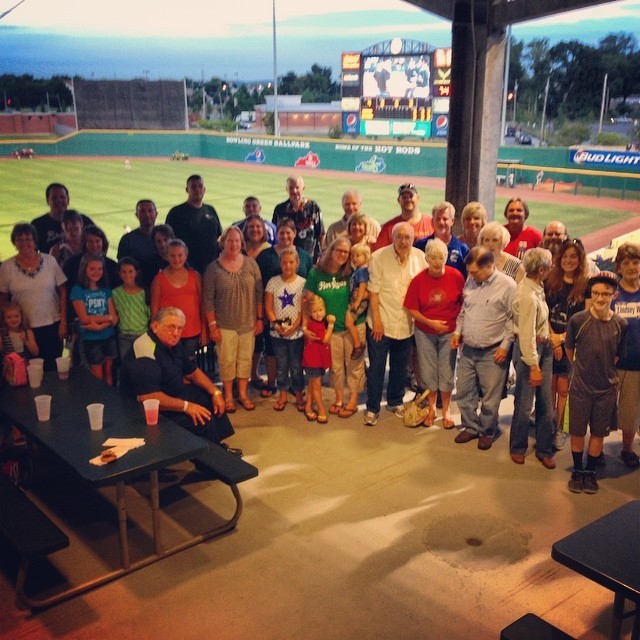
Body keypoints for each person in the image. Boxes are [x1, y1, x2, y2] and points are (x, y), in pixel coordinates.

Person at [120, 306, 241, 458]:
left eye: (180, 328)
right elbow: (148, 397)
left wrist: (215, 392)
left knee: (208, 398)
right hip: (146, 410)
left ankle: (216, 446)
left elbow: (192, 372)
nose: (176, 333)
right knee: (202, 418)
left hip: (170, 392)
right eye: (171, 327)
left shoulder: (172, 343)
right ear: (155, 326)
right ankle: (212, 461)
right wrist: (186, 406)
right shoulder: (144, 349)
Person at [565, 271, 628, 494]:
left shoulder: (621, 324)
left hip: (606, 389)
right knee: (578, 431)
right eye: (596, 293)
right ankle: (578, 469)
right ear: (590, 294)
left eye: (606, 294)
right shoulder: (578, 320)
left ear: (615, 295)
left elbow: (617, 356)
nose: (600, 298)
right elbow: (570, 348)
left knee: (599, 432)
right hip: (581, 387)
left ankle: (590, 470)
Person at [451, 247, 516, 449]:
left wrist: (505, 347)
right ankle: (471, 427)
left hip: (493, 351)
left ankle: (487, 431)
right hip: (468, 349)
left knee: (490, 397)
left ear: (490, 266)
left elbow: (512, 319)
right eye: (469, 272)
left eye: (475, 272)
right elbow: (464, 311)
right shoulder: (471, 280)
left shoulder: (508, 285)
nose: (470, 276)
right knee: (463, 391)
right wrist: (457, 332)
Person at [363, 222, 427, 426]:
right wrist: (378, 321)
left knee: (400, 367)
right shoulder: (378, 257)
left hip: (406, 324)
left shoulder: (420, 258)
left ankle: (394, 401)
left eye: (407, 237)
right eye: (399, 236)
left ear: (413, 239)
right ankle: (372, 408)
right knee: (377, 368)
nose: (403, 241)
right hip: (381, 322)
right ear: (392, 237)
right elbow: (373, 292)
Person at [404, 238, 464, 428]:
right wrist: (431, 323)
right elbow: (411, 308)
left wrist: (458, 331)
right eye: (433, 258)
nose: (437, 262)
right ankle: (431, 410)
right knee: (429, 373)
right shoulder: (418, 280)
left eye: (441, 257)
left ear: (447, 257)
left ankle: (445, 411)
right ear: (427, 259)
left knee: (447, 372)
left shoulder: (456, 276)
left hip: (450, 333)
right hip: (425, 333)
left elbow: (464, 305)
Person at [304, 237, 366, 419]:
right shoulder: (317, 273)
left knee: (354, 364)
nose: (342, 254)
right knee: (336, 367)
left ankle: (353, 400)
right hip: (329, 329)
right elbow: (306, 301)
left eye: (346, 252)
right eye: (339, 250)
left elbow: (367, 291)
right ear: (331, 250)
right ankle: (339, 399)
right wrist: (304, 326)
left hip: (354, 324)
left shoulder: (352, 273)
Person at [203, 226, 263, 413]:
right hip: (224, 325)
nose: (233, 244)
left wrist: (260, 319)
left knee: (245, 360)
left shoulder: (251, 264)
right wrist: (212, 326)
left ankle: (243, 395)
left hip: (248, 323)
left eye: (237, 241)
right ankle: (228, 396)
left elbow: (259, 293)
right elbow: (208, 299)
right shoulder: (213, 268)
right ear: (223, 243)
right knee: (227, 361)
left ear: (242, 243)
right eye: (230, 241)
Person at [509, 248, 556, 469]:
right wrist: (534, 365)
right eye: (548, 266)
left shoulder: (536, 287)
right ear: (541, 269)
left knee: (546, 401)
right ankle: (518, 447)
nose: (551, 269)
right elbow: (527, 334)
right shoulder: (527, 295)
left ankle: (544, 448)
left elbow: (540, 322)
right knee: (525, 402)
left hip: (543, 348)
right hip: (532, 352)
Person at [255, 219, 313, 396]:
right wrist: (266, 315)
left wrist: (302, 320)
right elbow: (259, 284)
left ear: (295, 234)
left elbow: (310, 285)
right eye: (281, 232)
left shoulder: (304, 257)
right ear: (276, 234)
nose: (285, 236)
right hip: (273, 314)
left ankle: (297, 389)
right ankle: (275, 384)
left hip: (298, 317)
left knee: (295, 359)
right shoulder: (266, 256)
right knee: (274, 353)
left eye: (289, 232)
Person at [0, 223, 68, 371]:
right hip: (22, 328)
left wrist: (63, 322)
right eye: (20, 239)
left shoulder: (49, 261)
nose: (25, 243)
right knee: (27, 370)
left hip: (52, 324)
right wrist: (3, 326)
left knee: (52, 368)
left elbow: (63, 291)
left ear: (35, 240)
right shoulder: (7, 267)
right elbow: (3, 299)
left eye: (28, 239)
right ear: (14, 242)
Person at [544, 239, 590, 449]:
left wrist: (562, 339)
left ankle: (562, 428)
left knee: (564, 389)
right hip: (548, 340)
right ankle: (547, 425)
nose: (569, 260)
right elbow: (542, 312)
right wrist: (553, 338)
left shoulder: (586, 285)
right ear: (559, 258)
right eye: (565, 256)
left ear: (580, 260)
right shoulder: (549, 281)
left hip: (571, 345)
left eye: (574, 256)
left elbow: (586, 318)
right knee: (549, 387)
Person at [264, 248, 306, 412]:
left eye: (291, 262)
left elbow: (303, 311)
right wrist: (276, 324)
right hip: (277, 332)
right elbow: (268, 307)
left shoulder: (302, 283)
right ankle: (282, 393)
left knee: (296, 365)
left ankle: (298, 394)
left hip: (296, 333)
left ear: (297, 264)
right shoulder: (273, 282)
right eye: (284, 262)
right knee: (281, 365)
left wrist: (293, 328)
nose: (287, 266)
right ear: (280, 264)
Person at [150, 239, 204, 364]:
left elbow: (203, 303)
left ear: (186, 255)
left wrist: (205, 329)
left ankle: (187, 383)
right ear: (166, 256)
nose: (176, 259)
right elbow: (154, 310)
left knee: (189, 362)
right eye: (172, 256)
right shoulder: (159, 279)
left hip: (192, 329)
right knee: (171, 362)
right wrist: (155, 331)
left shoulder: (195, 276)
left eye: (180, 255)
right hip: (168, 331)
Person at [70, 254, 118, 384]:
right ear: (84, 269)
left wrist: (100, 326)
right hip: (91, 340)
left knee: (109, 372)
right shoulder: (78, 290)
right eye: (92, 269)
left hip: (109, 336)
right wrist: (107, 318)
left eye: (100, 269)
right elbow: (84, 319)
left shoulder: (106, 289)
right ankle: (99, 400)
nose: (97, 272)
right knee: (97, 374)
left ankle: (109, 400)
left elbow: (115, 319)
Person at [612, 242, 640, 468]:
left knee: (631, 409)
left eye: (636, 262)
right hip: (611, 362)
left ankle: (627, 448)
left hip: (636, 363)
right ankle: (596, 447)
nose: (631, 267)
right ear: (618, 267)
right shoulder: (611, 292)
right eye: (626, 263)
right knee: (605, 408)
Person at [166, 175, 223, 273]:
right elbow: (168, 242)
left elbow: (219, 237)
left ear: (204, 189)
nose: (197, 190)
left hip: (211, 268)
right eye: (193, 187)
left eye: (200, 186)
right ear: (187, 189)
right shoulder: (176, 212)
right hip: (186, 268)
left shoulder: (211, 210)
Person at [272, 175, 324, 262]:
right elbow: (275, 233)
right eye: (291, 188)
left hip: (309, 259)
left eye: (297, 187)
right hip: (286, 258)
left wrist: (322, 255)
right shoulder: (280, 209)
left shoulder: (313, 207)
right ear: (287, 189)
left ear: (303, 188)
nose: (294, 191)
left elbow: (321, 234)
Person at [31, 183, 94, 254]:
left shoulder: (83, 220)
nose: (58, 200)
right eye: (54, 197)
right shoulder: (38, 224)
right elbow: (31, 252)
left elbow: (101, 242)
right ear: (47, 201)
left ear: (68, 200)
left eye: (62, 197)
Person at [301, 295, 336, 423]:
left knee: (312, 383)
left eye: (320, 310)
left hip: (317, 359)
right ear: (310, 313)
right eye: (314, 311)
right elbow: (326, 339)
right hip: (313, 361)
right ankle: (321, 409)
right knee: (317, 386)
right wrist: (331, 325)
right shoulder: (314, 325)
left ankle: (308, 407)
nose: (318, 314)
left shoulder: (319, 323)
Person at [373, 184, 434, 251]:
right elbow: (379, 252)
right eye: (404, 197)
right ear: (398, 200)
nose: (408, 199)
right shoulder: (389, 227)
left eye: (411, 196)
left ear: (418, 198)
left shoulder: (432, 223)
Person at [415, 201, 469, 276]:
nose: (441, 222)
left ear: (452, 221)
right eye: (438, 219)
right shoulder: (420, 245)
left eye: (445, 219)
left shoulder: (462, 249)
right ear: (432, 221)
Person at [112, 257, 150, 359]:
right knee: (126, 364)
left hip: (143, 335)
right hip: (124, 336)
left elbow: (149, 314)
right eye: (123, 272)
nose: (127, 275)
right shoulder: (115, 293)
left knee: (144, 364)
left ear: (136, 272)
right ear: (119, 274)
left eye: (130, 271)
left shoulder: (144, 292)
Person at [63, 225, 119, 292]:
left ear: (103, 242)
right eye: (90, 241)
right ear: (84, 243)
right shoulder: (71, 264)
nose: (94, 245)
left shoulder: (112, 265)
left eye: (97, 241)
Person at [344, 243, 370, 360]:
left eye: (358, 255)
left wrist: (358, 302)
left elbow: (363, 286)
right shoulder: (357, 270)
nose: (354, 258)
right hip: (355, 300)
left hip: (359, 302)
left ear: (366, 257)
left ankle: (358, 345)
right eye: (352, 256)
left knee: (348, 320)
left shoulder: (362, 270)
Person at [117, 199, 158, 264]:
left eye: (150, 211)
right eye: (142, 211)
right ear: (136, 215)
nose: (147, 214)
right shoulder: (127, 240)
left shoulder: (164, 238)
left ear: (156, 214)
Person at [141, 224, 175, 288]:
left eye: (165, 240)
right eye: (159, 241)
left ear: (172, 239)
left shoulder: (180, 260)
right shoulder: (149, 263)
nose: (163, 244)